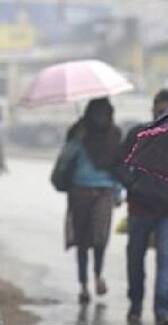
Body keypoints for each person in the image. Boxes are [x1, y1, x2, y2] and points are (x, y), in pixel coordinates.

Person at [118, 89, 168, 325]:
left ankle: (162, 309)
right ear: (152, 110)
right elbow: (119, 163)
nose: (161, 115)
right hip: (141, 207)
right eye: (159, 110)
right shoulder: (139, 134)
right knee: (135, 258)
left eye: (166, 111)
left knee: (166, 258)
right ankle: (136, 304)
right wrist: (132, 186)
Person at [56, 98, 122, 304]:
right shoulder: (78, 132)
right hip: (80, 191)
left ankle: (97, 275)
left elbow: (118, 165)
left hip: (104, 192)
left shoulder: (114, 135)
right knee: (83, 242)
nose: (101, 118)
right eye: (97, 113)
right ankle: (83, 285)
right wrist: (76, 140)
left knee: (100, 238)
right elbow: (65, 158)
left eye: (105, 113)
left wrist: (118, 192)